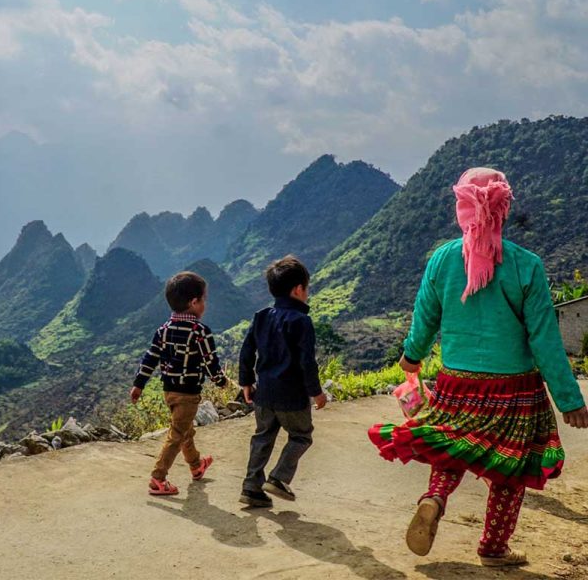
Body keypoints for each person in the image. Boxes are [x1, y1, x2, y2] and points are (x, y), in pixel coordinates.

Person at [368, 167, 588, 567]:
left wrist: (412, 356)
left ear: (463, 209)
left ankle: (434, 498)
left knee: (452, 450)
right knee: (510, 466)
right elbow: (544, 340)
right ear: (502, 208)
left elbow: (425, 318)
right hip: (515, 388)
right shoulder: (527, 265)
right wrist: (569, 399)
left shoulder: (442, 260)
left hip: (456, 381)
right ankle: (493, 547)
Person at [238, 255, 327, 508]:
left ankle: (251, 487)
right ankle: (278, 478)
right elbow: (306, 362)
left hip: (264, 393)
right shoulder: (302, 321)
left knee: (263, 437)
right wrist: (317, 393)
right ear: (298, 289)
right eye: (307, 288)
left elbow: (246, 351)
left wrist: (246, 381)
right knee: (301, 436)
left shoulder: (262, 316)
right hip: (292, 396)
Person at [130, 271, 228, 496]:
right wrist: (221, 381)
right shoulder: (200, 331)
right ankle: (158, 478)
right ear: (194, 302)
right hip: (188, 393)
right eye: (204, 299)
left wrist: (139, 385)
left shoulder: (162, 331)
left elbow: (150, 359)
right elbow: (210, 362)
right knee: (177, 433)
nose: (205, 304)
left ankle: (196, 465)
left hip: (169, 391)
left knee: (185, 430)